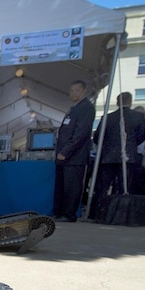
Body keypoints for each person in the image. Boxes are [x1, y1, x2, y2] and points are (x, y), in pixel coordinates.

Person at [90, 91, 145, 219]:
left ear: (117, 102)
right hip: (128, 156)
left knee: (102, 187)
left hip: (108, 156)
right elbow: (142, 135)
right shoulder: (138, 117)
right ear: (131, 102)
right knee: (124, 187)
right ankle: (120, 215)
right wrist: (131, 144)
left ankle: (98, 213)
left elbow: (97, 137)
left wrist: (107, 145)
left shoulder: (107, 117)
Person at [53, 80, 95, 222]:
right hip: (63, 155)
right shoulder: (74, 109)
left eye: (77, 90)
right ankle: (59, 212)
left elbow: (81, 134)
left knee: (72, 186)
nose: (73, 93)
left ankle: (68, 214)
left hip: (74, 156)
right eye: (71, 90)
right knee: (62, 186)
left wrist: (65, 151)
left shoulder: (86, 108)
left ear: (84, 91)